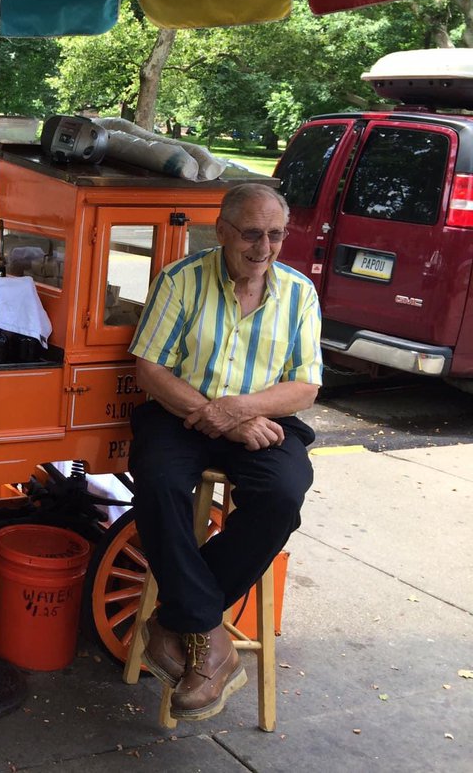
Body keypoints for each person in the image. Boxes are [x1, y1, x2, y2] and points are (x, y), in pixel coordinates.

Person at [127, 181, 322, 721]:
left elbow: (305, 387)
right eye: (252, 234)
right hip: (180, 413)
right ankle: (208, 636)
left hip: (262, 420)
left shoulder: (299, 293)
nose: (264, 248)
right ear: (223, 231)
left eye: (276, 236)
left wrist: (239, 411)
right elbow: (150, 369)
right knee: (159, 480)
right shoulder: (181, 280)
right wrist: (221, 418)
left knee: (283, 495)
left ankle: (177, 620)